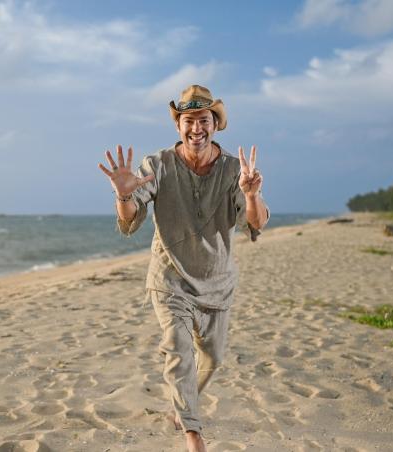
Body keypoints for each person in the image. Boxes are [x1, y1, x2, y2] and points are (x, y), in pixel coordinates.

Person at [98, 85, 269, 452]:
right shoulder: (157, 165)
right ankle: (193, 432)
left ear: (215, 124)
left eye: (203, 120)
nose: (196, 128)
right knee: (178, 348)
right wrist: (124, 195)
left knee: (213, 357)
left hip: (216, 282)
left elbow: (255, 223)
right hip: (170, 279)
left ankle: (183, 406)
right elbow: (130, 221)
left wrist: (252, 195)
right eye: (188, 121)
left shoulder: (234, 171)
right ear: (178, 125)